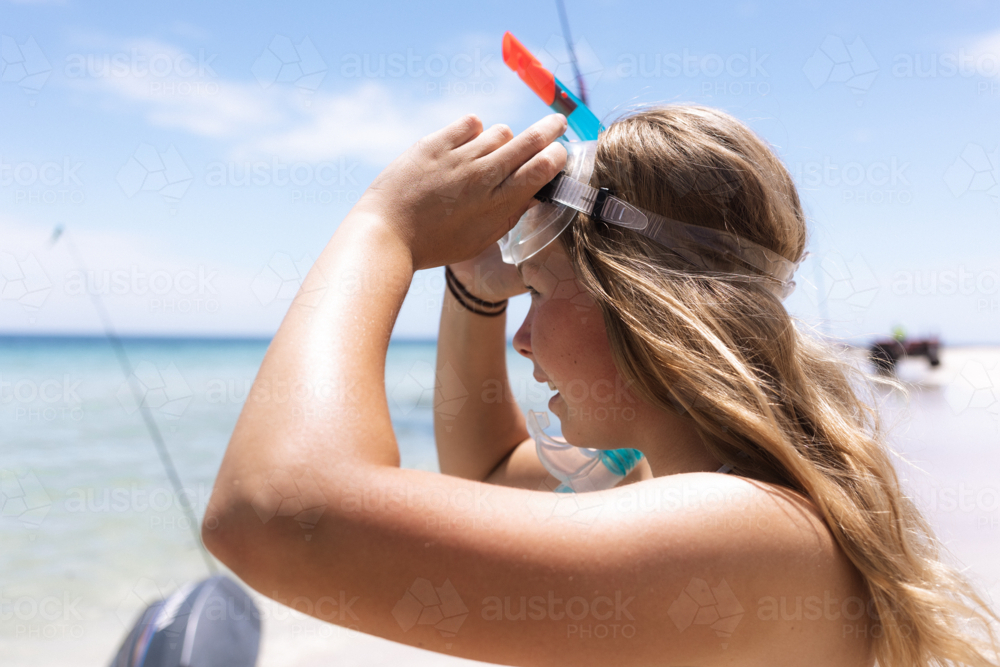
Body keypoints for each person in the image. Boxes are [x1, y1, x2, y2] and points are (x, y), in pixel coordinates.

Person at [203, 108, 999, 667]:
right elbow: (484, 475)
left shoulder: (742, 531)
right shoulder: (685, 481)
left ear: (645, 308)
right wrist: (478, 290)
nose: (521, 334)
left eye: (540, 295)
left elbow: (273, 512)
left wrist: (381, 227)